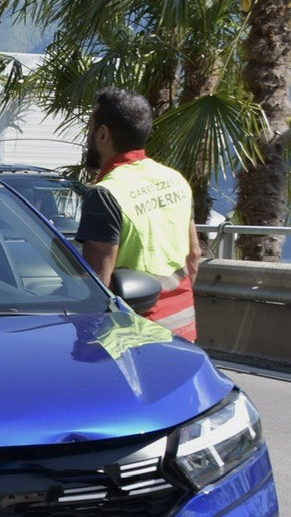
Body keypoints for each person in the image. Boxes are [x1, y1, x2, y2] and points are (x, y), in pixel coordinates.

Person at [77, 87, 201, 341]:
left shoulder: (106, 193)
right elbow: (195, 254)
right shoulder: (174, 180)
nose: (88, 137)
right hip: (183, 326)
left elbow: (98, 284)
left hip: (136, 334)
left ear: (103, 134)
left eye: (90, 128)